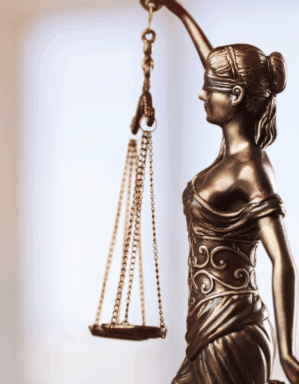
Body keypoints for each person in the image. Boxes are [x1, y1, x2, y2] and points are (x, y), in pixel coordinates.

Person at [152, 0, 299, 383]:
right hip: (204, 325)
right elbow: (212, 62)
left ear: (234, 95)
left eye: (209, 89)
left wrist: (286, 351)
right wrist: (177, 11)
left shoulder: (251, 167)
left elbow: (282, 259)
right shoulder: (227, 158)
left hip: (232, 328)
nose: (202, 95)